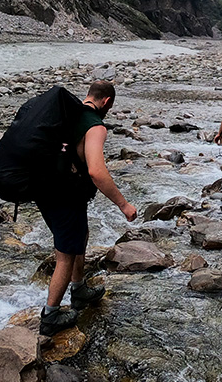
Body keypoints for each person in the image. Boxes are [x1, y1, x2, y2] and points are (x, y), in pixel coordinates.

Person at [36, 80, 138, 337]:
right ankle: (51, 315)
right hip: (64, 194)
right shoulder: (94, 125)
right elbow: (96, 171)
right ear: (107, 102)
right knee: (65, 255)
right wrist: (123, 205)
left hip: (44, 186)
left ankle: (79, 289)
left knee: (79, 235)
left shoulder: (66, 114)